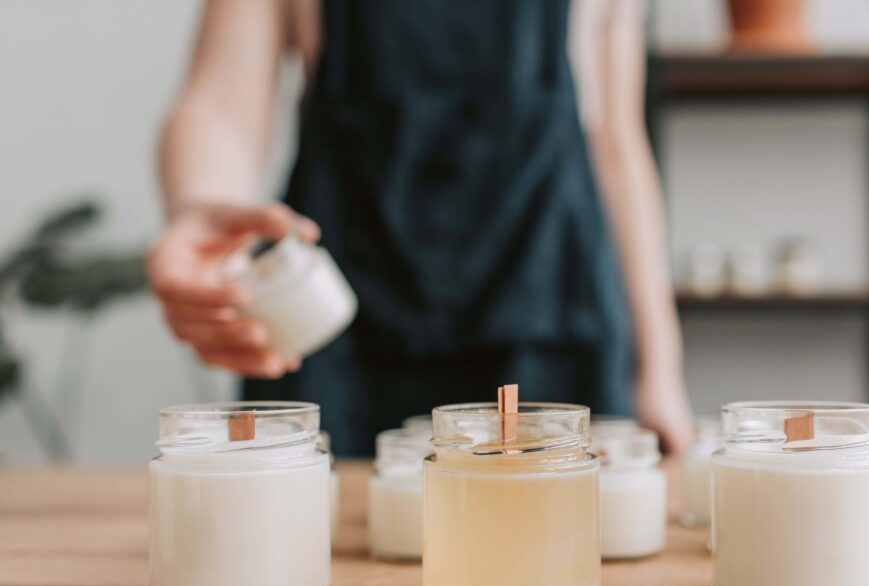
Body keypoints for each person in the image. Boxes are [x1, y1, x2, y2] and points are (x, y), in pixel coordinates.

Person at [147, 0, 692, 456]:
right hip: (337, 330)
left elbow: (615, 140)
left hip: (549, 313)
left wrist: (660, 368)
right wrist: (202, 209)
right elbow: (222, 100)